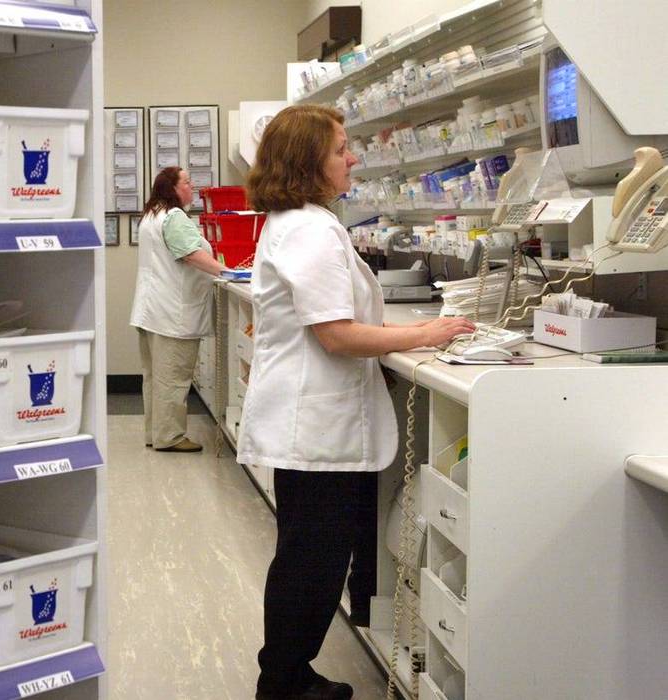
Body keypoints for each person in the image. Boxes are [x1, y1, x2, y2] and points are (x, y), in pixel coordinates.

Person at [237, 105, 474, 700]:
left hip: (311, 420)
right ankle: (284, 684)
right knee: (311, 563)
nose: (353, 158)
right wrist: (424, 335)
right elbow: (336, 334)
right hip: (315, 425)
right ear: (308, 161)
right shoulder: (312, 229)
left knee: (307, 557)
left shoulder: (297, 221)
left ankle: (289, 673)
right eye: (342, 148)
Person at [129, 167, 226, 453]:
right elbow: (191, 254)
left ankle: (155, 433)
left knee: (155, 377)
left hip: (151, 310)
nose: (191, 186)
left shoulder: (151, 216)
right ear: (172, 188)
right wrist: (229, 272)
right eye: (186, 182)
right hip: (173, 313)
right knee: (173, 378)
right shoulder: (174, 217)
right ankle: (170, 437)